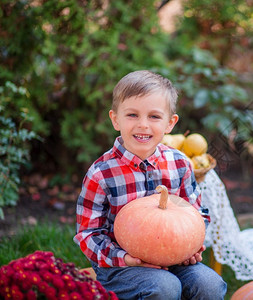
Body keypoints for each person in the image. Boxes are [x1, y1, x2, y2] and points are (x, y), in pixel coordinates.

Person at [73, 70, 227, 299]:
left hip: (174, 258)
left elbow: (196, 214)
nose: (143, 125)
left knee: (210, 284)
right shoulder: (101, 174)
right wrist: (124, 258)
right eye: (132, 115)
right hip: (121, 266)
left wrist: (191, 248)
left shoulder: (180, 164)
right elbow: (89, 234)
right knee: (164, 287)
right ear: (115, 119)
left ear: (170, 123)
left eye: (154, 117)